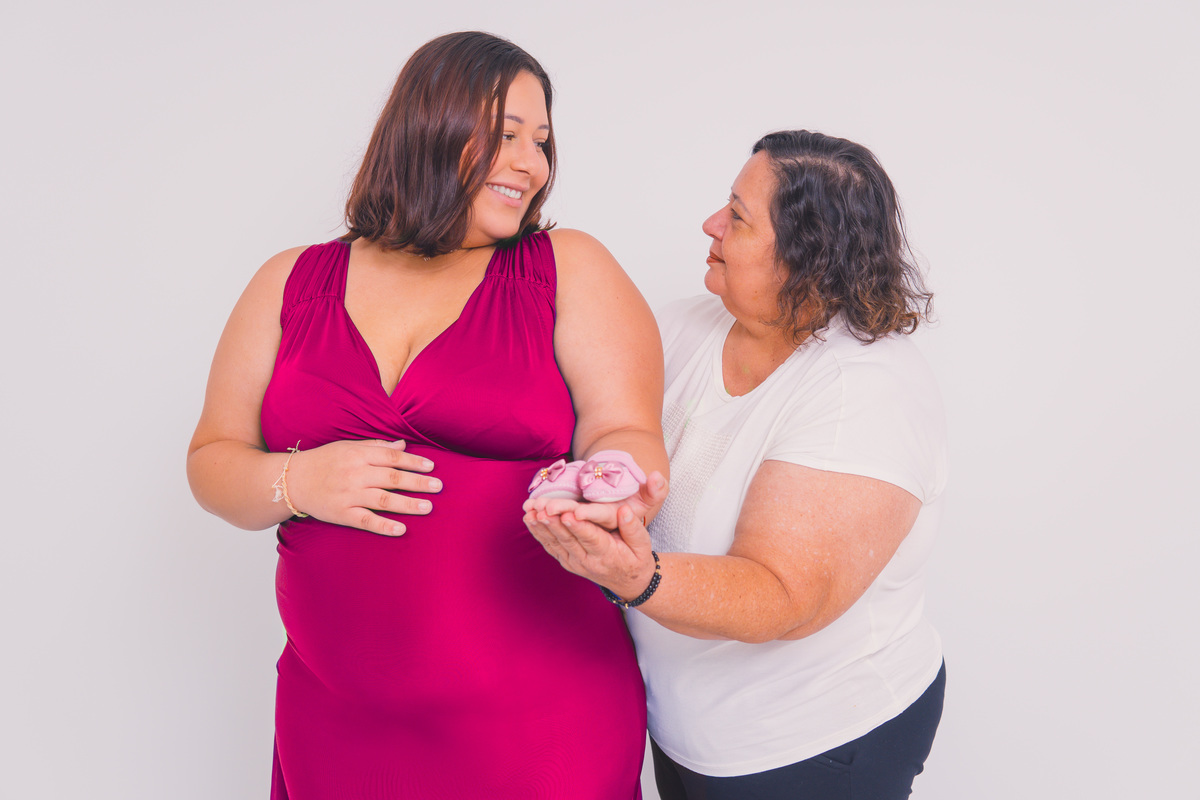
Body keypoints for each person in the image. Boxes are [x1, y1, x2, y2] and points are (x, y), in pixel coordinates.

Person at [187, 32, 666, 799]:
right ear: (427, 126)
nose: (531, 164)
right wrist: (298, 481)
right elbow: (214, 460)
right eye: (506, 135)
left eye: (541, 141)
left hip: (540, 723)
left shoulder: (567, 267)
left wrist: (612, 485)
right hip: (337, 722)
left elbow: (625, 430)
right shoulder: (290, 281)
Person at [526, 130, 947, 800]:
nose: (711, 224)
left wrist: (634, 577)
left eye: (739, 217)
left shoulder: (866, 392)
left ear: (807, 256)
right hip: (688, 727)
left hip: (817, 743)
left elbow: (783, 594)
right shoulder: (682, 327)